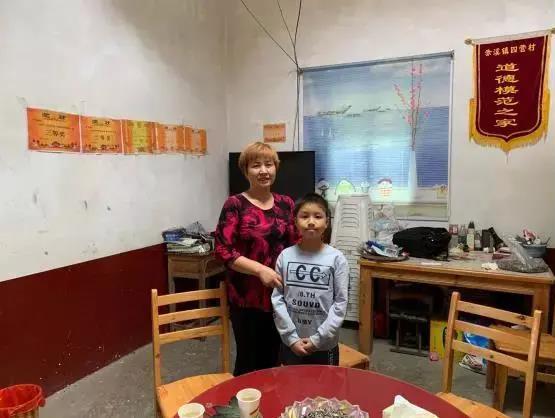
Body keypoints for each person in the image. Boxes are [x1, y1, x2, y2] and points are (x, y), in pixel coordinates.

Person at [214, 142, 298, 376]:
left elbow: (296, 243)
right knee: (249, 360)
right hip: (246, 298)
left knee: (276, 357)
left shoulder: (286, 203)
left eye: (268, 164)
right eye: (256, 165)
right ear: (245, 171)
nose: (263, 170)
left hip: (281, 294)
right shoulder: (235, 205)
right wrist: (260, 270)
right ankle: (244, 398)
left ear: (276, 168)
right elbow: (222, 250)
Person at [272, 193, 349, 365]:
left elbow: (340, 302)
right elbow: (278, 299)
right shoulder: (285, 256)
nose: (311, 222)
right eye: (305, 216)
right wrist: (291, 338)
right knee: (291, 381)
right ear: (295, 221)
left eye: (318, 216)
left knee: (324, 383)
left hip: (324, 345)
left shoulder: (337, 259)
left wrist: (318, 339)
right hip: (292, 343)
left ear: (327, 222)